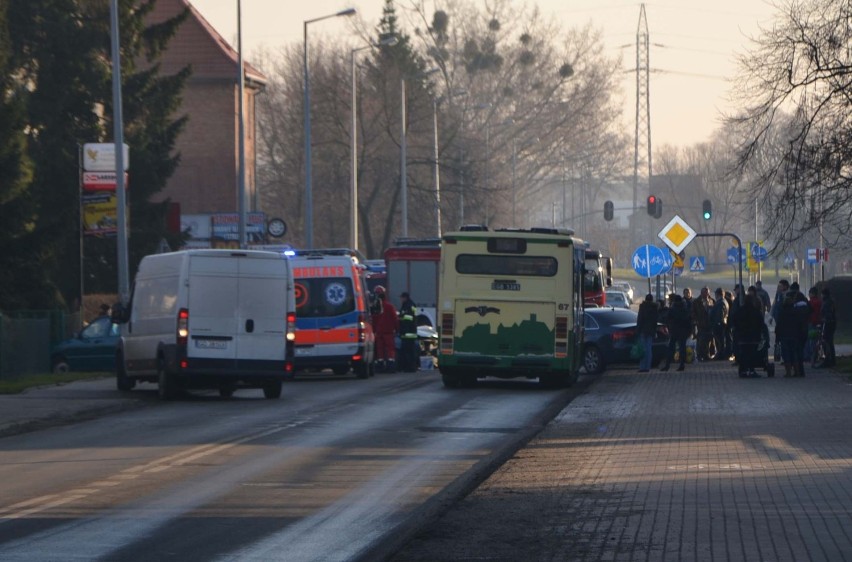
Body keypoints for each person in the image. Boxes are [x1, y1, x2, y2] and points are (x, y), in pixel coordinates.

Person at [732, 294, 765, 378]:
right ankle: (751, 370)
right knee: (752, 355)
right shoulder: (756, 312)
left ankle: (742, 371)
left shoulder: (740, 311)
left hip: (742, 337)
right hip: (753, 337)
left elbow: (734, 321)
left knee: (743, 354)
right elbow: (761, 323)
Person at [370, 286, 399, 372]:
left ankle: (380, 365)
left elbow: (373, 320)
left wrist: (373, 330)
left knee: (380, 350)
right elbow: (395, 319)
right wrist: (397, 329)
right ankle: (390, 365)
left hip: (379, 332)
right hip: (388, 332)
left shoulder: (374, 307)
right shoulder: (390, 306)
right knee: (390, 349)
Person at [660, 294, 691, 372]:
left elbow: (667, 319)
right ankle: (682, 364)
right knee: (682, 348)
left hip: (674, 331)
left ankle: (667, 365)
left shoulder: (672, 309)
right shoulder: (684, 309)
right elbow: (688, 321)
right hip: (683, 332)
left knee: (671, 348)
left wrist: (669, 327)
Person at [636, 294, 659, 373]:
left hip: (643, 330)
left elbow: (640, 320)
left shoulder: (643, 307)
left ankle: (642, 367)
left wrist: (637, 330)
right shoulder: (654, 308)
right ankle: (647, 367)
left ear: (645, 299)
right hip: (650, 331)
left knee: (643, 349)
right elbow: (655, 321)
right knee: (649, 349)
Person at [398, 292, 419, 372]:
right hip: (411, 332)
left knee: (408, 352)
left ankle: (409, 368)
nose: (401, 299)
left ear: (405, 298)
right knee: (410, 351)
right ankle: (411, 367)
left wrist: (400, 318)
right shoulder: (411, 305)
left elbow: (408, 318)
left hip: (407, 333)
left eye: (401, 298)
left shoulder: (408, 306)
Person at [692, 287, 714, 360]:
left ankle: (707, 354)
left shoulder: (711, 301)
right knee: (701, 340)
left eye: (707, 292)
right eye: (705, 292)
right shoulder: (696, 302)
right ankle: (700, 354)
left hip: (709, 324)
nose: (706, 294)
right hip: (701, 323)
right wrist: (696, 321)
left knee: (708, 340)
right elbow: (693, 312)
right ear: (701, 293)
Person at [709, 288, 729, 361]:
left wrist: (717, 323)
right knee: (720, 341)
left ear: (718, 294)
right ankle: (720, 354)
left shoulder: (721, 302)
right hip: (720, 324)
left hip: (719, 325)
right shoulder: (723, 302)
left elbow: (720, 314)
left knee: (719, 341)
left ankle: (720, 355)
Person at [820, 287, 837, 367]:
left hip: (828, 324)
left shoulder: (826, 302)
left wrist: (824, 319)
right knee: (830, 342)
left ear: (823, 294)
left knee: (826, 342)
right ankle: (832, 360)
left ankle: (828, 360)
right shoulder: (830, 301)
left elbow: (827, 314)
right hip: (832, 323)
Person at [804, 287, 822, 361]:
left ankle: (808, 355)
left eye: (809, 293)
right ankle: (815, 355)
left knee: (809, 339)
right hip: (818, 322)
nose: (808, 294)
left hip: (811, 322)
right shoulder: (820, 302)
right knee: (815, 340)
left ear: (812, 294)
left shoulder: (810, 302)